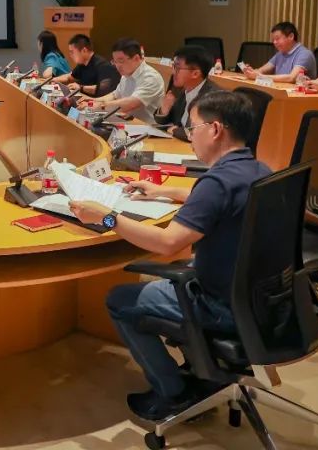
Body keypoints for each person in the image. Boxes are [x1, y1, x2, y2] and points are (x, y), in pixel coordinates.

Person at [70, 92, 271, 421]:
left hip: (221, 305)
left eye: (193, 128)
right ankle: (204, 370)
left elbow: (167, 244)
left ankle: (173, 392)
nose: (189, 137)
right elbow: (214, 199)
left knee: (120, 300)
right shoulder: (257, 168)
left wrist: (107, 218)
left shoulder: (216, 183)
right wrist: (164, 190)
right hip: (261, 300)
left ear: (215, 129)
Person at [79, 38, 165, 125]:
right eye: (115, 61)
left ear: (136, 58)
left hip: (146, 128)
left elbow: (131, 103)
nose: (117, 66)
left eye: (121, 61)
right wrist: (94, 101)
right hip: (128, 122)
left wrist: (101, 105)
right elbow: (115, 95)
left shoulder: (151, 78)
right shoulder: (126, 74)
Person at [155, 45, 218, 140]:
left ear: (195, 73)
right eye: (173, 66)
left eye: (177, 68)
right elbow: (163, 122)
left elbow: (200, 133)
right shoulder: (179, 89)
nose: (173, 72)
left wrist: (175, 131)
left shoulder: (213, 97)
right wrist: (164, 110)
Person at [242, 21, 317, 82]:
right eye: (273, 40)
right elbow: (261, 70)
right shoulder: (280, 54)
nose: (274, 42)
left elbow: (291, 78)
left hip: (297, 95)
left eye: (277, 39)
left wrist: (261, 76)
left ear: (291, 36)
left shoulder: (305, 54)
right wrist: (251, 72)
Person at [54, 34, 120, 98]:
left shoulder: (102, 65)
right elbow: (70, 78)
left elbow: (103, 89)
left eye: (72, 52)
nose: (70, 55)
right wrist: (53, 80)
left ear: (84, 50)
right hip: (84, 99)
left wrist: (81, 87)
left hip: (97, 102)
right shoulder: (82, 64)